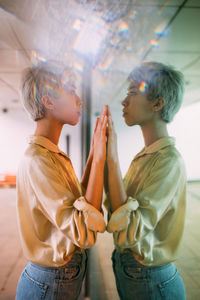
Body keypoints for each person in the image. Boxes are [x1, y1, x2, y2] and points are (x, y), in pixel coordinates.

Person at [16, 61, 107, 300]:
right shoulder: (39, 160)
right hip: (50, 283)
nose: (80, 100)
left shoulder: (49, 154)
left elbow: (81, 203)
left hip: (52, 279)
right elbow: (84, 233)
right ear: (48, 101)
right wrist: (98, 160)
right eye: (71, 89)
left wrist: (93, 157)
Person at [104, 61, 187, 300]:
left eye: (132, 92)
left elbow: (129, 231)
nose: (124, 101)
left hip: (151, 279)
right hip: (135, 272)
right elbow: (117, 212)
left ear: (157, 103)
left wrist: (112, 159)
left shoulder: (168, 162)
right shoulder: (145, 156)